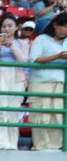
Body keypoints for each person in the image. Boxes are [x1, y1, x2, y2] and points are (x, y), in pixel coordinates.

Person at [27, 11, 67, 152]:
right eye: (65, 26)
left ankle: (55, 145)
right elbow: (34, 59)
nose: (66, 30)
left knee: (57, 115)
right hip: (40, 82)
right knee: (40, 115)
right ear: (55, 25)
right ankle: (40, 145)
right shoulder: (41, 39)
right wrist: (57, 56)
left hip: (60, 83)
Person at [0, 16, 27, 150]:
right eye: (4, 26)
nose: (7, 29)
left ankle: (12, 144)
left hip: (16, 77)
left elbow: (24, 61)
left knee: (13, 112)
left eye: (10, 26)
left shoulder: (22, 43)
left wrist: (13, 47)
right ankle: (0, 144)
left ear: (16, 27)